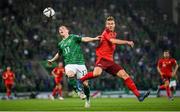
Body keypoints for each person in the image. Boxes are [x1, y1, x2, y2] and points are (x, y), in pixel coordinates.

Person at [79, 16, 150, 102]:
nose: (110, 25)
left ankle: (139, 96)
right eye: (108, 24)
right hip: (102, 59)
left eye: (112, 24)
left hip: (110, 61)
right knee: (96, 74)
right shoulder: (105, 33)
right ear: (106, 25)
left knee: (125, 75)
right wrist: (127, 42)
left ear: (114, 24)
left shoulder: (114, 33)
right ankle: (80, 81)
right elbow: (113, 41)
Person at [48, 25, 100, 108]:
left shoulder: (73, 37)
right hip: (69, 64)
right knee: (70, 74)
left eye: (63, 29)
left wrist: (94, 39)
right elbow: (59, 54)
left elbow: (84, 39)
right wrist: (52, 60)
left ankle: (87, 100)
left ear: (67, 30)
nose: (61, 30)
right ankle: (78, 91)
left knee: (86, 84)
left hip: (80, 63)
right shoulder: (60, 44)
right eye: (59, 29)